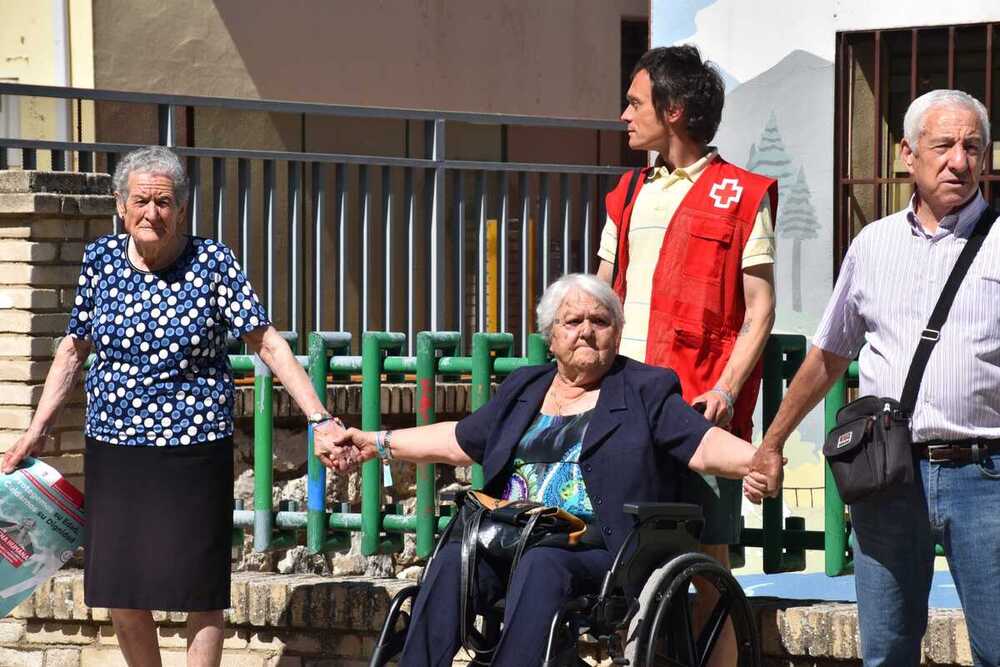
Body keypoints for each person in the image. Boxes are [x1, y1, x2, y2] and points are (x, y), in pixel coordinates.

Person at [0, 146, 345, 667]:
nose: (152, 213)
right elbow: (74, 347)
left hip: (194, 447)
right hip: (115, 448)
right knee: (121, 588)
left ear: (181, 208)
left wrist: (319, 418)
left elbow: (267, 342)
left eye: (164, 202)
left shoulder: (213, 262)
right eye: (141, 200)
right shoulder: (100, 260)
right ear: (120, 205)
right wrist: (37, 429)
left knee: (199, 589)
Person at [318, 273, 760, 667]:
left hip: (600, 548)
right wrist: (377, 443)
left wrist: (754, 461)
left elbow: (699, 443)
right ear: (550, 336)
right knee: (455, 558)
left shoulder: (646, 388)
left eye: (600, 321)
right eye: (573, 322)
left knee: (543, 563)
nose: (586, 331)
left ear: (618, 333)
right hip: (510, 534)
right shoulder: (524, 386)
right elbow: (461, 439)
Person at [745, 89, 1000, 666]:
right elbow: (827, 357)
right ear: (907, 153)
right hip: (887, 477)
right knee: (885, 652)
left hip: (987, 479)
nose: (959, 160)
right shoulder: (872, 245)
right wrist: (773, 442)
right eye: (943, 146)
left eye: (972, 146)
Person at [595, 45, 777, 665]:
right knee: (622, 565)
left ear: (673, 111)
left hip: (700, 413)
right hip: (623, 408)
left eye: (634, 101)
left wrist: (726, 388)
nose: (623, 115)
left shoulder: (742, 194)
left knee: (708, 572)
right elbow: (599, 295)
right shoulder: (624, 194)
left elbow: (760, 310)